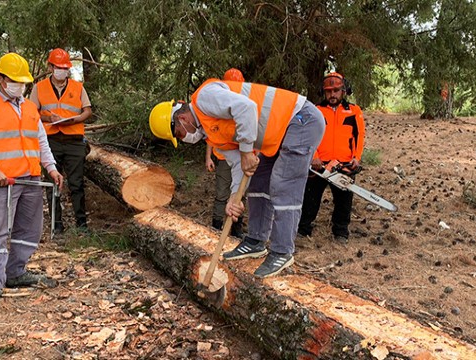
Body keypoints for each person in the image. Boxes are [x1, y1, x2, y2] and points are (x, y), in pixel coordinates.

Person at [149, 78, 325, 278]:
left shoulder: (205, 98)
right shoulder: (211, 135)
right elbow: (239, 166)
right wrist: (234, 197)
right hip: (277, 136)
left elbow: (246, 108)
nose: (184, 138)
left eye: (179, 135)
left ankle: (282, 251)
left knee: (283, 184)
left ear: (180, 119)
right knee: (258, 182)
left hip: (301, 119)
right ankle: (255, 241)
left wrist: (247, 151)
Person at [0, 52, 64, 309]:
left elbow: (40, 141)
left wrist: (51, 168)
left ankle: (16, 273)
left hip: (31, 178)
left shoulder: (31, 108)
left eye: (23, 82)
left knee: (29, 230)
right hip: (3, 181)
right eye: (14, 80)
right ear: (0, 78)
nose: (19, 86)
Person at [297, 72, 365, 244]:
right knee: (310, 198)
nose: (332, 95)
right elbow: (308, 136)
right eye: (329, 91)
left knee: (344, 201)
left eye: (336, 91)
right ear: (324, 92)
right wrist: (314, 156)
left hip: (344, 165)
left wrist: (356, 158)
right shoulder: (316, 111)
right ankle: (303, 228)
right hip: (319, 166)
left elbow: (359, 136)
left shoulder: (353, 111)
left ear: (343, 91)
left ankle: (341, 231)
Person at [30, 48, 93, 233]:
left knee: (77, 183)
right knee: (52, 183)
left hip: (74, 139)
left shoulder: (78, 87)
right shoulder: (39, 87)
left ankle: (81, 225)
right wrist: (49, 119)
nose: (61, 70)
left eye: (64, 67)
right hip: (50, 141)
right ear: (50, 67)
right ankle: (56, 226)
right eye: (58, 67)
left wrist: (76, 119)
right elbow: (32, 113)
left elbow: (87, 110)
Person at [205, 68, 245, 237]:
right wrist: (208, 157)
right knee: (222, 193)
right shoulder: (219, 105)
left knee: (240, 194)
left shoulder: (244, 103)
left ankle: (236, 229)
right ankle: (216, 226)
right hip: (223, 157)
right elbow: (210, 134)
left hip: (241, 157)